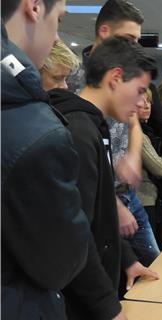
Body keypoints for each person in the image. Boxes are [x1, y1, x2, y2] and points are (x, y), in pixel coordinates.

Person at [49, 36, 160, 319]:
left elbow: (99, 211)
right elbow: (75, 234)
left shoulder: (93, 128)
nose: (139, 104)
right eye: (138, 91)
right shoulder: (79, 133)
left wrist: (127, 259)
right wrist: (107, 307)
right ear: (115, 78)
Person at [1, 0, 91, 318]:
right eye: (60, 20)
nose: (56, 38)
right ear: (35, 7)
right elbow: (61, 262)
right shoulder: (36, 132)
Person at [86, 0, 161, 267]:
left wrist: (132, 156)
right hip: (98, 199)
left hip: (126, 192)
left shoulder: (124, 75)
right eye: (129, 38)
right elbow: (81, 159)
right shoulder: (75, 77)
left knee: (153, 264)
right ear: (104, 32)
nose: (133, 47)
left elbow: (134, 124)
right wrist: (113, 205)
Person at [136, 88, 162, 247]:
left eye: (149, 101)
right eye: (141, 101)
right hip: (144, 200)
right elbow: (160, 168)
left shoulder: (146, 131)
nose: (147, 105)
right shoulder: (138, 135)